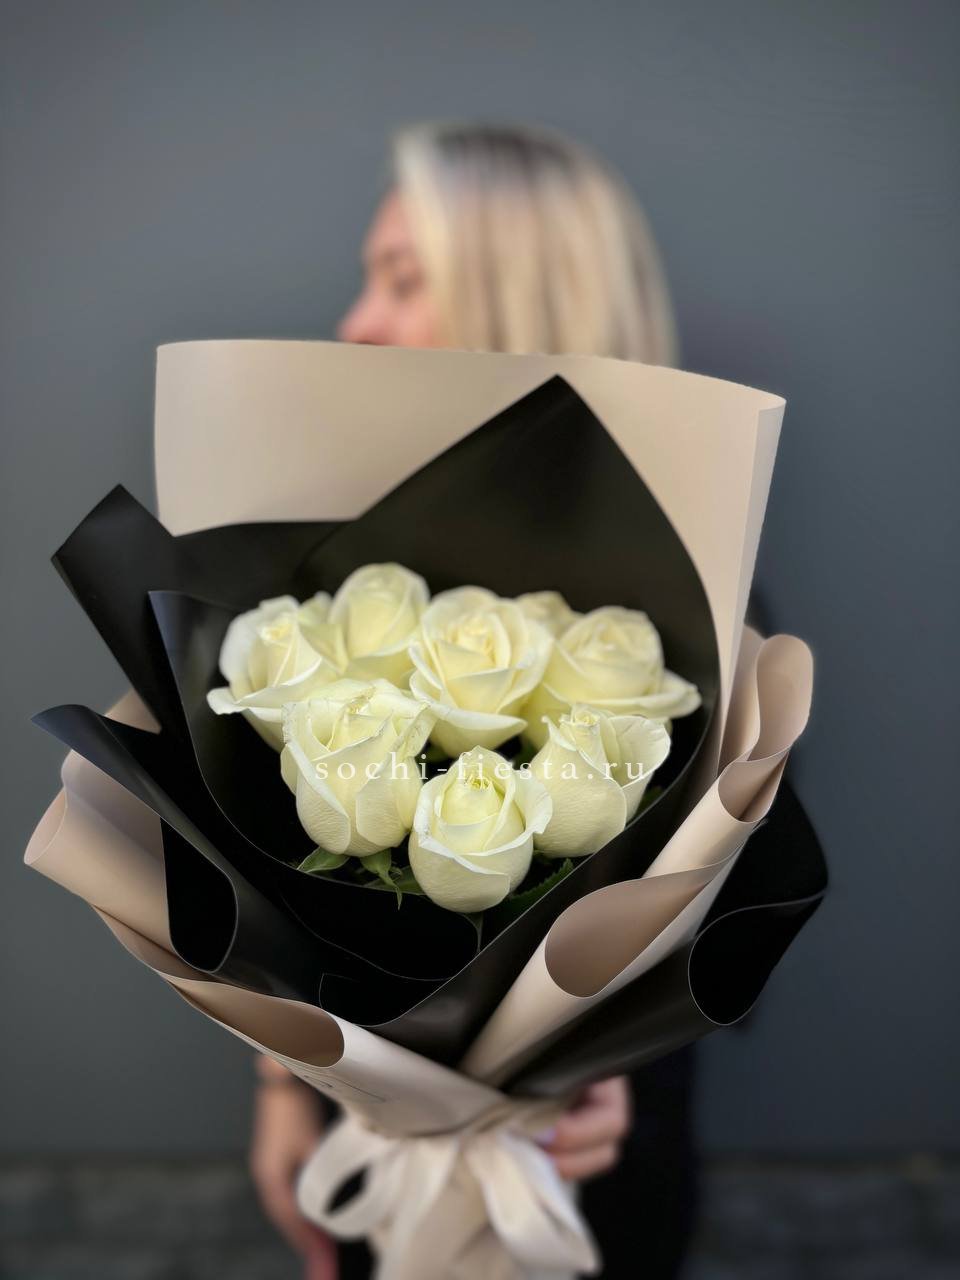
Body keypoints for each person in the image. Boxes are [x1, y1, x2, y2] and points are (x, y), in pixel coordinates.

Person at [249, 122, 697, 1280]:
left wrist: (613, 1061)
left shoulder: (688, 600)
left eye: (403, 280)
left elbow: (722, 907)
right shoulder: (345, 568)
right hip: (370, 1157)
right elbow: (268, 874)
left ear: (522, 299)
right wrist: (281, 1089)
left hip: (578, 1177)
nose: (356, 323)